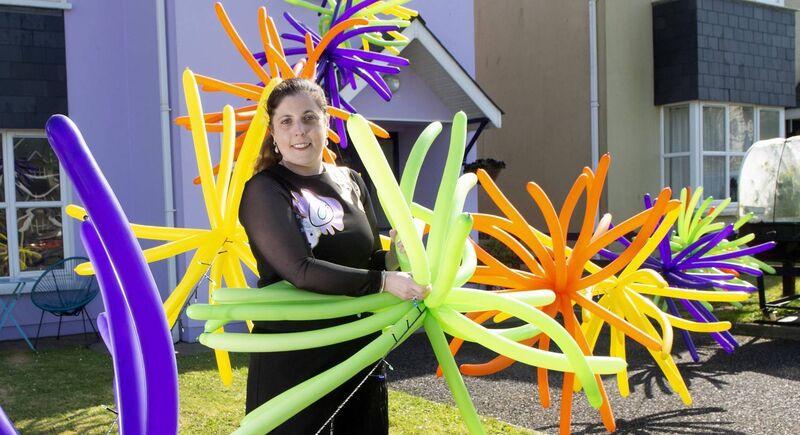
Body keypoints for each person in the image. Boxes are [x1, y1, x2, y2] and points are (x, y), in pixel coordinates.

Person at [239, 78, 429, 434]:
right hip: (296, 356)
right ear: (273, 133)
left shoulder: (351, 180)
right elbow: (299, 270)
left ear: (326, 122)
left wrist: (398, 256)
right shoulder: (267, 189)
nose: (300, 131)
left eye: (309, 118)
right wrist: (386, 281)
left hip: (359, 348)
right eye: (287, 121)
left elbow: (371, 262)